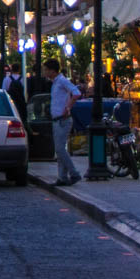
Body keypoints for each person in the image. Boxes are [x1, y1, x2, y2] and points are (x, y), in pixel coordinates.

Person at [47, 57, 83, 187]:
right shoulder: (55, 83)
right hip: (57, 120)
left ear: (52, 71)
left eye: (47, 70)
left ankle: (74, 173)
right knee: (60, 149)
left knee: (60, 149)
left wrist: (68, 107)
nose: (45, 73)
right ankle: (62, 177)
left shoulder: (62, 81)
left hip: (63, 120)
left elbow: (76, 93)